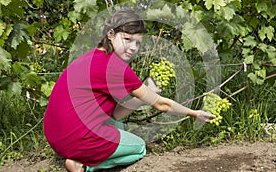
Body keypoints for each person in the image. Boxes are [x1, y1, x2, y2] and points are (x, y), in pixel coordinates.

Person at [43, 9, 215, 172]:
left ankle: (81, 153)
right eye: (127, 39)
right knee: (139, 147)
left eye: (137, 43)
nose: (133, 47)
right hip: (77, 140)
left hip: (56, 138)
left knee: (117, 125)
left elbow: (115, 115)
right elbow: (162, 105)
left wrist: (147, 92)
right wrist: (194, 113)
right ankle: (84, 165)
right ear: (110, 34)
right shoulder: (116, 68)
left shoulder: (91, 56)